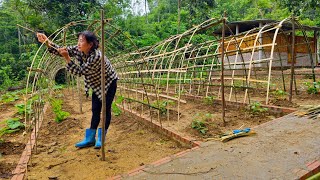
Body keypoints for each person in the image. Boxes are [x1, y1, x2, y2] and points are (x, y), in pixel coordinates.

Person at [37, 31, 118, 149]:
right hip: (96, 84)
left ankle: (101, 138)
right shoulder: (79, 49)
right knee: (95, 109)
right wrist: (47, 42)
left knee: (105, 109)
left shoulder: (96, 57)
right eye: (78, 40)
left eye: (81, 41)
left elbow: (80, 72)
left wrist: (67, 58)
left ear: (90, 44)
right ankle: (90, 138)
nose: (78, 43)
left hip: (109, 83)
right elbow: (61, 50)